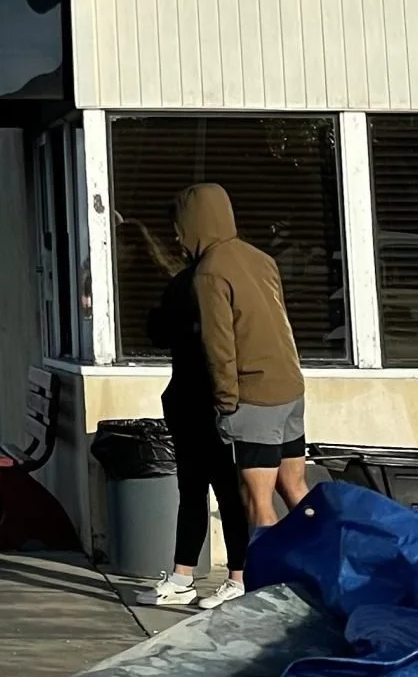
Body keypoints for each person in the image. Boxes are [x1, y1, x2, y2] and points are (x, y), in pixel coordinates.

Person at [129, 213, 248, 610]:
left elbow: (166, 334)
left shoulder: (193, 282)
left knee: (204, 491)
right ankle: (219, 575)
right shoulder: (220, 276)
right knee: (219, 491)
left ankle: (216, 576)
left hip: (201, 401)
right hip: (207, 400)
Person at [181, 184, 308, 536]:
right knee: (296, 489)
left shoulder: (209, 272)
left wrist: (226, 404)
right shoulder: (261, 258)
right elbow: (282, 321)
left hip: (255, 395)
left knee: (257, 500)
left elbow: (219, 344)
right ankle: (324, 562)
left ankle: (267, 582)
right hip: (289, 387)